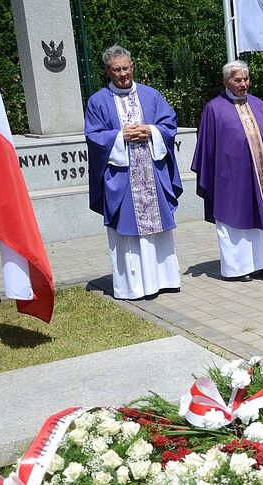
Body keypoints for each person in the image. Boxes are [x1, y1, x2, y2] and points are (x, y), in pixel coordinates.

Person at [85, 45, 182, 300]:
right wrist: (120, 136)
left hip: (152, 172)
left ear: (133, 66)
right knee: (127, 231)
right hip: (122, 177)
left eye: (126, 68)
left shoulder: (151, 95)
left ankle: (165, 279)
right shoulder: (98, 101)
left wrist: (151, 131)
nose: (122, 74)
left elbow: (169, 124)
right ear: (108, 71)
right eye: (116, 70)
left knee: (159, 228)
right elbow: (93, 136)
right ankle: (134, 286)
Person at [191, 60, 263, 282]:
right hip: (232, 179)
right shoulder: (213, 109)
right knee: (236, 218)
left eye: (246, 79)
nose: (243, 84)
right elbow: (207, 148)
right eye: (238, 80)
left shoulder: (258, 104)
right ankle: (240, 267)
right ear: (226, 81)